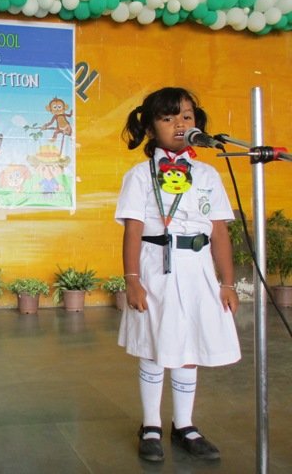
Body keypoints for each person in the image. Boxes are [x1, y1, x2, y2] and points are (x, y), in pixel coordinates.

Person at [115, 87, 241, 463]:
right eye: (168, 118)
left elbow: (219, 231)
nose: (179, 124)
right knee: (156, 344)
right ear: (150, 128)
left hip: (197, 268)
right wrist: (132, 279)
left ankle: (184, 425)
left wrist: (227, 282)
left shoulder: (207, 174)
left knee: (189, 346)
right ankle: (151, 425)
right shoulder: (140, 175)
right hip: (156, 267)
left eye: (186, 116)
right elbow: (133, 229)